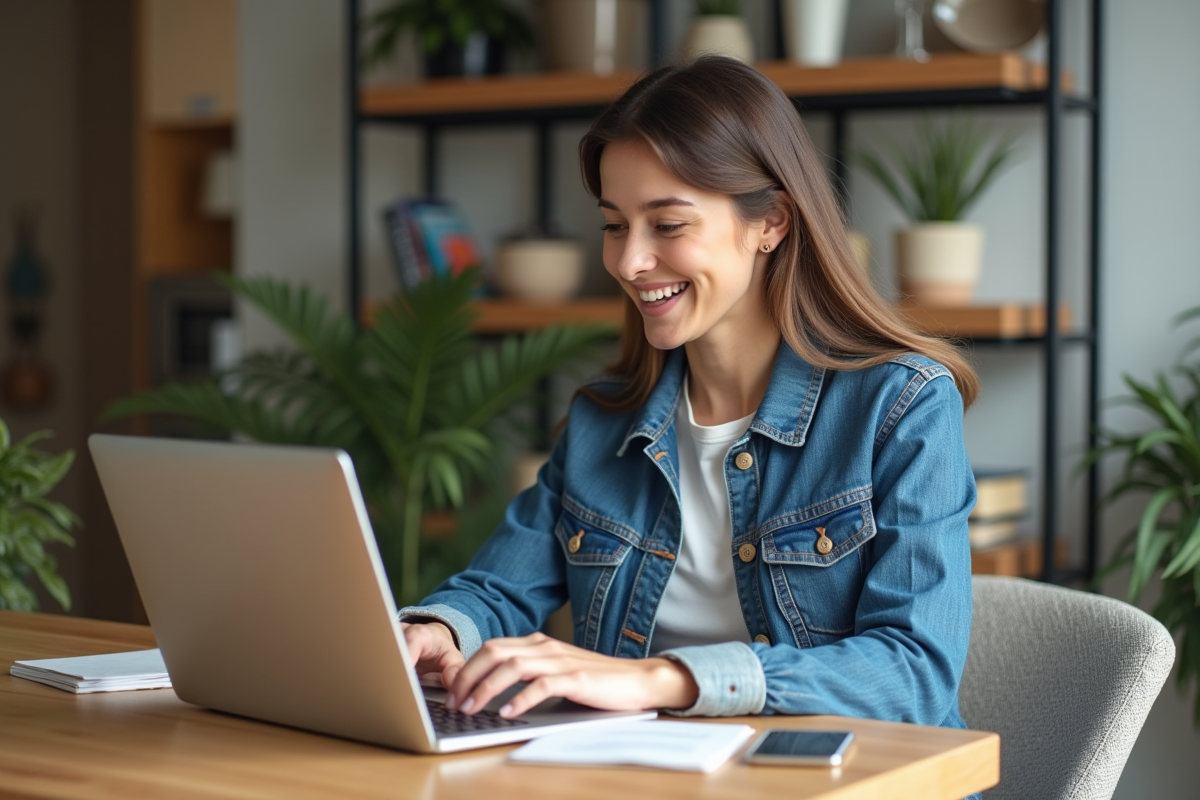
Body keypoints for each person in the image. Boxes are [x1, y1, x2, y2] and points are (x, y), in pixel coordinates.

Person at [400, 56, 978, 732]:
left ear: (773, 223)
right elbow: (499, 588)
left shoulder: (899, 407)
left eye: (667, 225)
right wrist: (440, 629)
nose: (628, 261)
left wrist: (663, 678)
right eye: (614, 224)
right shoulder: (602, 420)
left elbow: (913, 669)